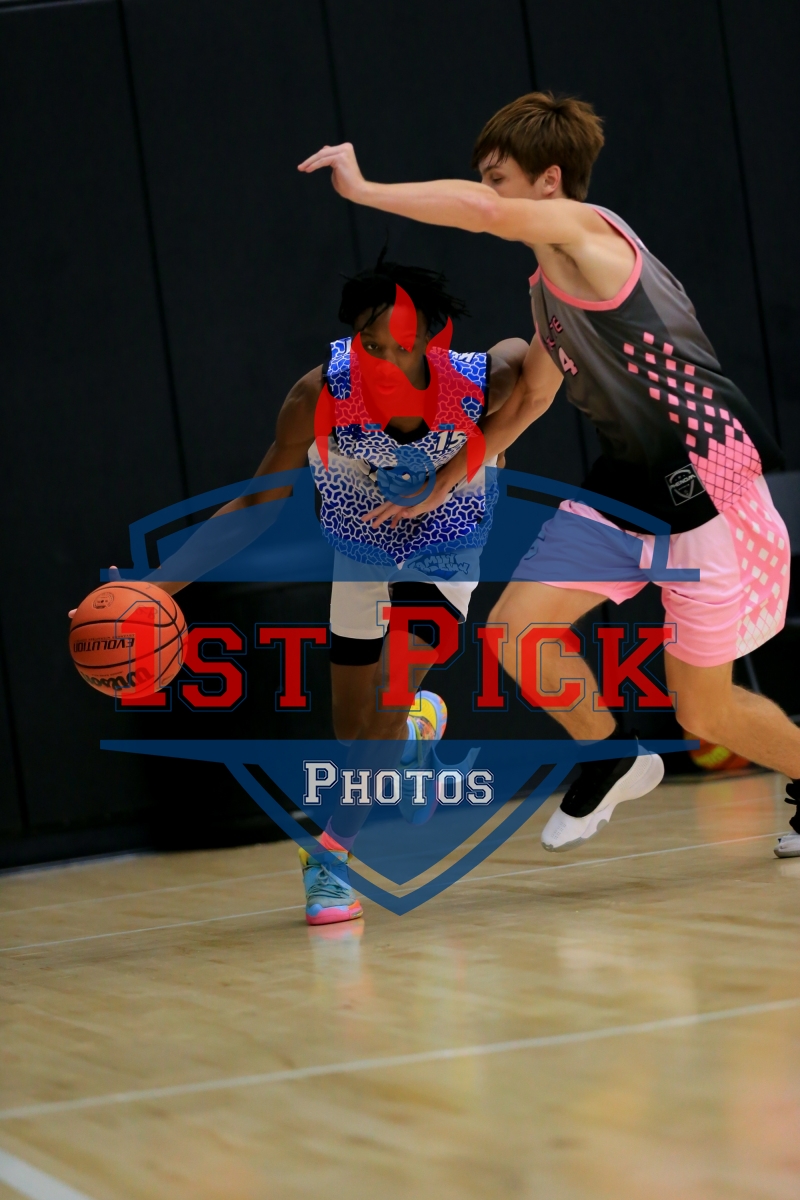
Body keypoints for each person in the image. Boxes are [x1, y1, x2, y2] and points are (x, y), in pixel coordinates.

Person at [298, 91, 800, 860]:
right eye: (485, 178)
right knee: (516, 631)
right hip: (627, 486)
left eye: (498, 177)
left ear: (550, 180)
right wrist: (445, 479)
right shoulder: (549, 288)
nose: (488, 192)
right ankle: (611, 753)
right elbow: (533, 394)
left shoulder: (592, 237)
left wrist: (363, 190)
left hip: (708, 491)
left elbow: (483, 214)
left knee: (704, 714)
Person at [136, 255, 526, 920]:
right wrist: (158, 588)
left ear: (431, 342)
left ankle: (329, 855)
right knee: (353, 724)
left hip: (447, 538)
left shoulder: (480, 379)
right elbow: (255, 504)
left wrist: (472, 457)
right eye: (369, 344)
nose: (382, 360)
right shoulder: (317, 397)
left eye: (399, 346)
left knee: (389, 693)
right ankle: (416, 731)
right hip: (362, 542)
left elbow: (525, 359)